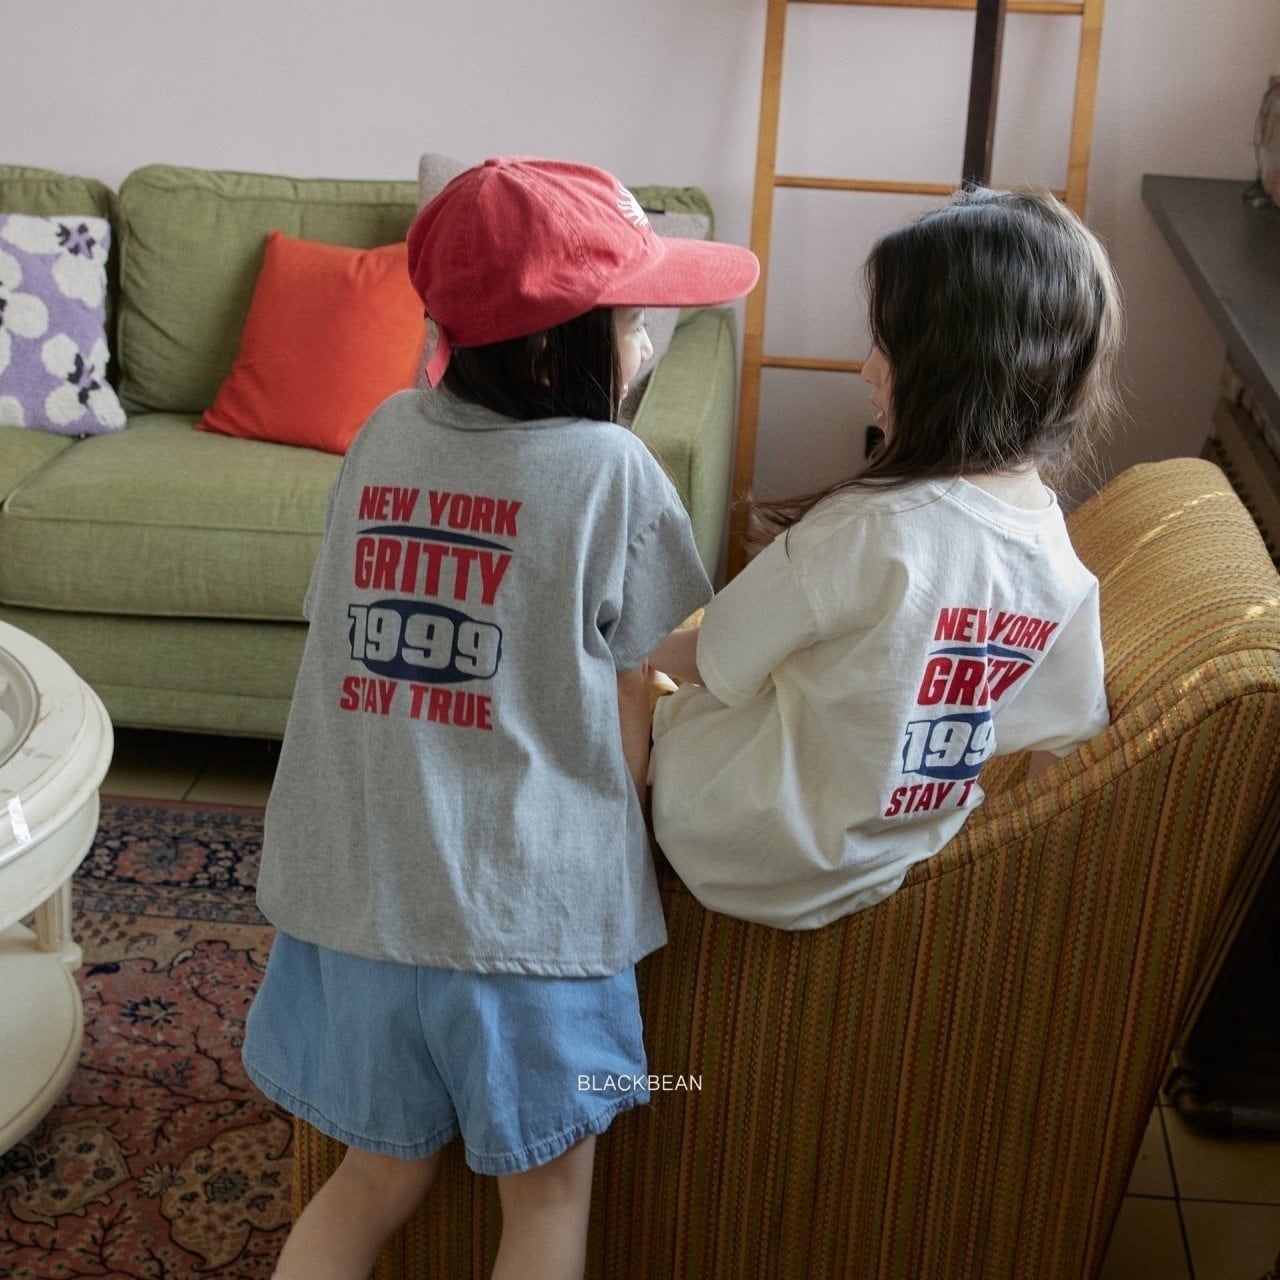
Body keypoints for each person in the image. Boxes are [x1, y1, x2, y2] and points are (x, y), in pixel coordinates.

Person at [241, 157, 759, 1280]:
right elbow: (633, 684)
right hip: (535, 928)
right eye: (632, 321)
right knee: (548, 1202)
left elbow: (344, 631)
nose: (645, 345)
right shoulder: (613, 469)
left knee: (371, 1178)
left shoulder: (382, 434)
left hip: (361, 904)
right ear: (554, 349)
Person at [648, 186, 1122, 931]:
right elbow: (1066, 741)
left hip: (731, 838)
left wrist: (626, 655)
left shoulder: (871, 528)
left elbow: (714, 656)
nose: (867, 369)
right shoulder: (1057, 561)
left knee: (629, 687)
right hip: (886, 862)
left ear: (958, 366)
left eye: (889, 345)